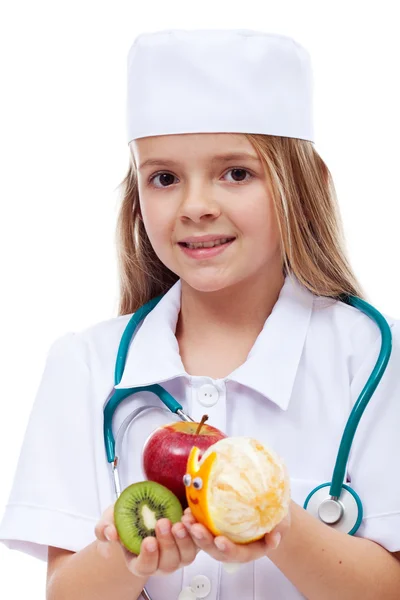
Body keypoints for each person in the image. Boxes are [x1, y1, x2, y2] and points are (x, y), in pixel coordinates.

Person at [0, 28, 399, 600]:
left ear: (303, 187)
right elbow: (65, 593)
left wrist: (275, 521)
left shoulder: (372, 361)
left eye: (236, 173)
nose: (195, 207)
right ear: (138, 197)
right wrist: (128, 550)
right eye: (164, 178)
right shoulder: (86, 365)